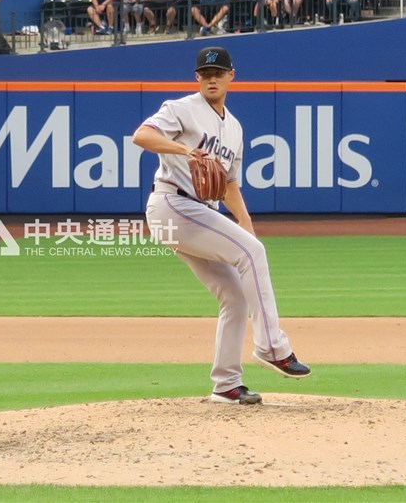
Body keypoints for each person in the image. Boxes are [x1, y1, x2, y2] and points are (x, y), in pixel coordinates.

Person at [132, 47, 312, 405]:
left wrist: (245, 223)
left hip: (197, 212)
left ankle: (226, 385)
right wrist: (185, 151)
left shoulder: (234, 127)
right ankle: (273, 347)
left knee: (233, 293)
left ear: (232, 75)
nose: (211, 78)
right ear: (196, 78)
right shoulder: (181, 109)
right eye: (204, 73)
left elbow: (229, 184)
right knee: (252, 254)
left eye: (218, 72)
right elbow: (141, 136)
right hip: (172, 203)